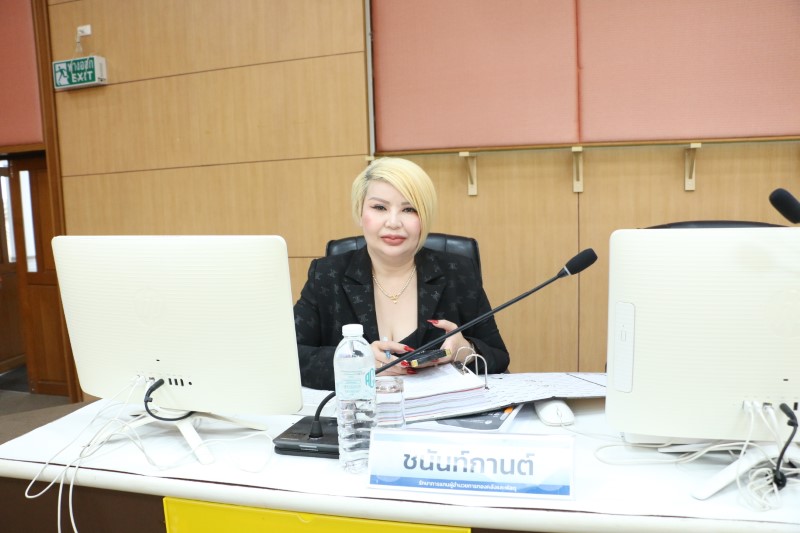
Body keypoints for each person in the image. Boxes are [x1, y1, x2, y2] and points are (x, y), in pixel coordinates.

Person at [293, 157, 509, 390]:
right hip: (359, 410)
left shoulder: (458, 273)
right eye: (379, 207)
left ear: (424, 216)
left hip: (437, 411)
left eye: (409, 209)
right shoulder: (327, 275)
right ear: (360, 211)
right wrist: (356, 362)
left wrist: (465, 350)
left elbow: (498, 356)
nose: (393, 222)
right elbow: (289, 357)